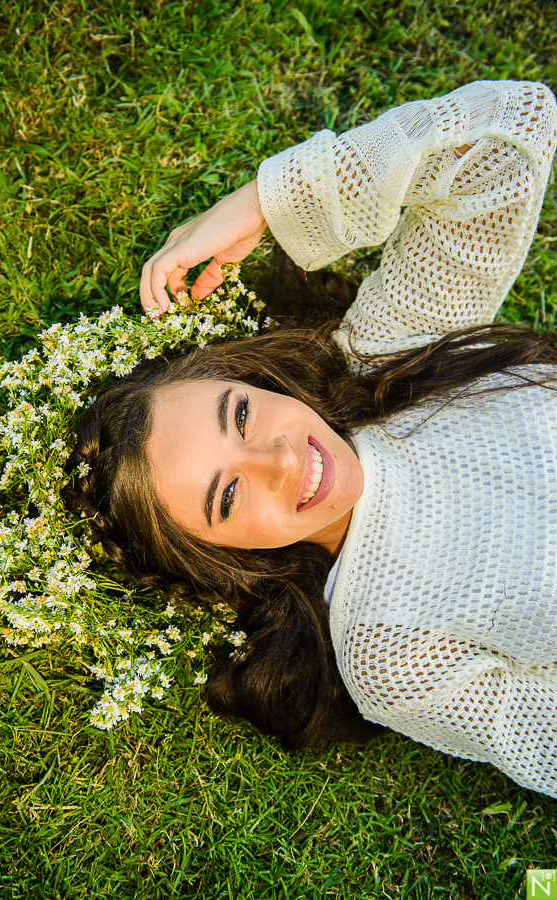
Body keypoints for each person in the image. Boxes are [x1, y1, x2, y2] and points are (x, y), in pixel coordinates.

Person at [71, 80, 557, 797]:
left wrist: (261, 204)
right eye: (227, 494)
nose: (279, 460)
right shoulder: (387, 653)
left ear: (258, 381)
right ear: (225, 559)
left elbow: (507, 132)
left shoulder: (390, 357)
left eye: (240, 416)